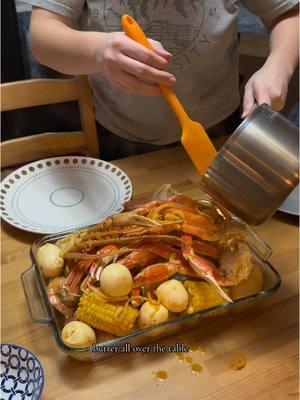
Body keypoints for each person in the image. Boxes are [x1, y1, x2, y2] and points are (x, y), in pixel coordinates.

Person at [25, 1, 298, 160]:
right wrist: (97, 51)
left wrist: (278, 66)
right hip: (118, 134)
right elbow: (42, 37)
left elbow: (287, 12)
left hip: (220, 129)